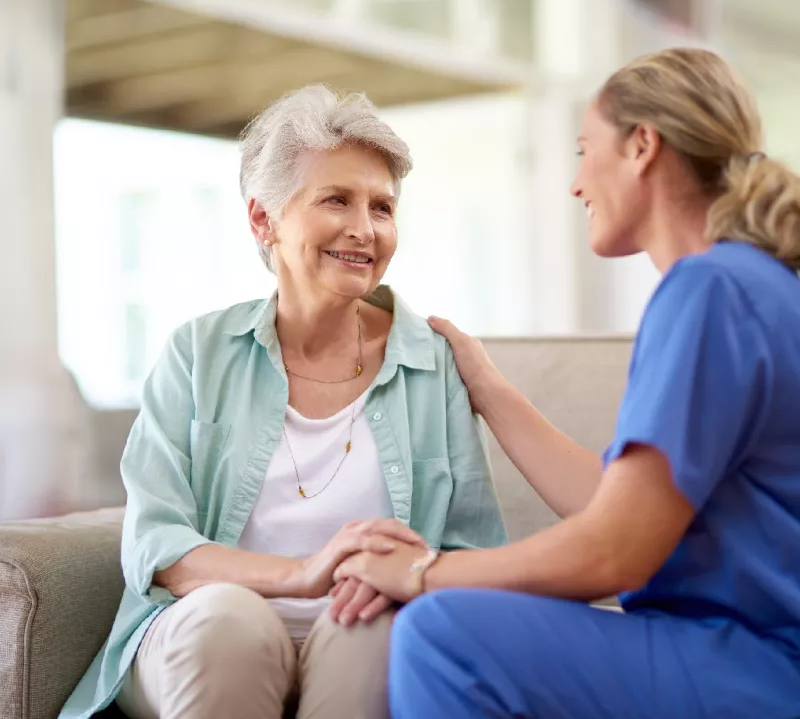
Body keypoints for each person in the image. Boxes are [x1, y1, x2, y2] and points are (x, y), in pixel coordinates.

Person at [333, 48, 800, 718]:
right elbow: (613, 505)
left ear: (643, 146)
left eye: (585, 150)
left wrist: (423, 572)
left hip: (755, 663)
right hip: (751, 653)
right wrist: (487, 387)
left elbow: (615, 551)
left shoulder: (710, 291)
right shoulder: (755, 285)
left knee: (445, 638)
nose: (577, 182)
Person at [58, 85, 506, 719]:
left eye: (382, 207)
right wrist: (302, 574)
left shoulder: (433, 362)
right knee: (230, 623)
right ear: (263, 220)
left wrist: (407, 575)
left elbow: (472, 550)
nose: (364, 228)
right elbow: (157, 544)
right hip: (211, 623)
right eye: (337, 200)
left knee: (377, 633)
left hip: (364, 625)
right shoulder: (197, 352)